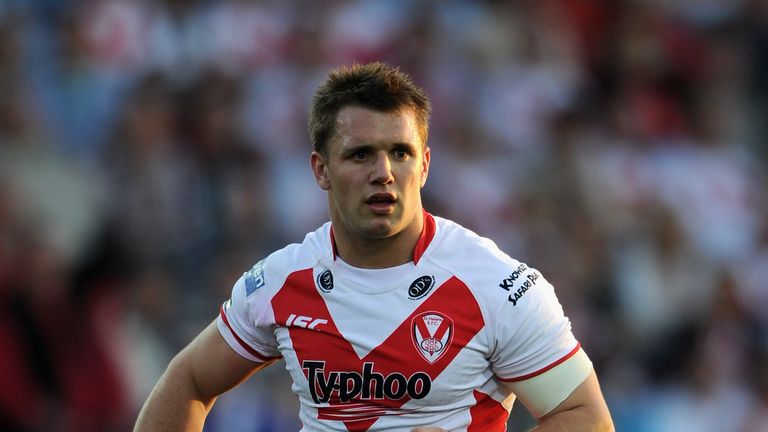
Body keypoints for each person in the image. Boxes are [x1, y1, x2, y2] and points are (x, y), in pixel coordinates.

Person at [134, 62, 614, 432]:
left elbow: (585, 417)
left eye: (400, 153)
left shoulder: (496, 285)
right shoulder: (280, 282)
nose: (384, 171)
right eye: (360, 154)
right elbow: (189, 381)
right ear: (320, 169)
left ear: (424, 165)